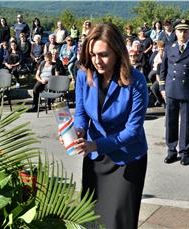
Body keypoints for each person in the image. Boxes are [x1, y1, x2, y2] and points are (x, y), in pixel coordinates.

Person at [72, 22, 148, 229]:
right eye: (93, 54)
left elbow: (132, 131)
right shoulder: (83, 75)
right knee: (92, 220)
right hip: (95, 158)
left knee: (118, 221)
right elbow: (80, 114)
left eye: (103, 55)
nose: (97, 61)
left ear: (117, 52)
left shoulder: (136, 80)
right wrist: (77, 131)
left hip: (128, 158)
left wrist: (95, 145)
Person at [159, 19, 189, 166]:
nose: (182, 34)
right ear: (175, 32)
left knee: (186, 124)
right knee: (170, 121)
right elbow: (163, 69)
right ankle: (171, 150)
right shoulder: (169, 47)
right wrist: (162, 88)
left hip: (187, 91)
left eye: (185, 31)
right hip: (171, 90)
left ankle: (184, 152)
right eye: (180, 31)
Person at [148, 40, 165, 107]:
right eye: (159, 48)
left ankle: (163, 101)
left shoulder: (166, 54)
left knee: (155, 86)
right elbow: (151, 61)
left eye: (162, 48)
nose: (161, 49)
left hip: (163, 73)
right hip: (156, 70)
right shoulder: (155, 53)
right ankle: (159, 100)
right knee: (150, 77)